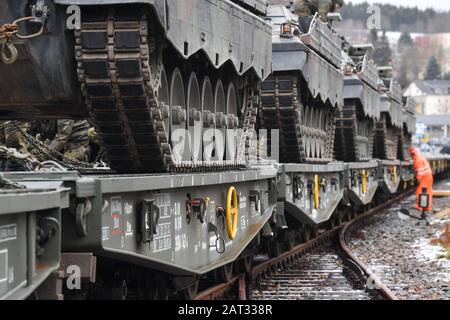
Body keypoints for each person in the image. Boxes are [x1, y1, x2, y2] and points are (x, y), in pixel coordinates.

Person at [410, 147, 433, 219]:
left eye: (411, 155)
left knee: (420, 191)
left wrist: (417, 180)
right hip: (429, 176)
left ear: (413, 154)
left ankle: (420, 207)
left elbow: (420, 172)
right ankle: (427, 207)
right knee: (428, 192)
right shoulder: (421, 157)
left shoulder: (417, 160)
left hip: (424, 177)